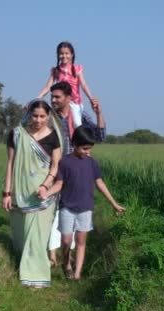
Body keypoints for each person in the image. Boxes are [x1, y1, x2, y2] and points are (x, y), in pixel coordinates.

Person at [39, 126, 125, 280]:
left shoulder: (92, 163)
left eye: (90, 148)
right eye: (85, 148)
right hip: (67, 207)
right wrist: (46, 192)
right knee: (66, 240)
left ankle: (77, 273)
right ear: (75, 144)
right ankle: (66, 264)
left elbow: (100, 184)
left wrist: (114, 203)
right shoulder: (64, 162)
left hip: (85, 208)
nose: (88, 152)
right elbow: (59, 184)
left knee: (81, 241)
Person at [42, 81, 107, 266]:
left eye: (57, 97)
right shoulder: (49, 116)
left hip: (74, 169)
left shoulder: (78, 114)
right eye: (51, 97)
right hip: (53, 169)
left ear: (68, 98)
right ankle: (52, 254)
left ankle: (65, 256)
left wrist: (98, 112)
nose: (53, 100)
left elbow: (99, 136)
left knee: (67, 211)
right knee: (51, 210)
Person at [2, 99, 63, 288]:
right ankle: (25, 265)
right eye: (35, 115)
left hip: (43, 195)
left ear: (48, 116)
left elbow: (55, 166)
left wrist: (45, 186)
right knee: (22, 235)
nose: (38, 120)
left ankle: (36, 277)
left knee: (37, 236)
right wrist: (7, 193)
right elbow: (11, 164)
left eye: (43, 116)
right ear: (29, 114)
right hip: (21, 193)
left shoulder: (54, 137)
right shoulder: (17, 135)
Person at [37, 41, 98, 130]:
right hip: (60, 101)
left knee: (77, 124)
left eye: (67, 53)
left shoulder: (77, 69)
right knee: (52, 123)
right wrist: (38, 97)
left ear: (72, 54)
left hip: (74, 101)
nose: (64, 56)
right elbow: (48, 86)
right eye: (61, 54)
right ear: (58, 55)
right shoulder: (56, 70)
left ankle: (78, 142)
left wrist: (91, 98)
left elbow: (83, 84)